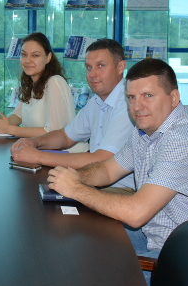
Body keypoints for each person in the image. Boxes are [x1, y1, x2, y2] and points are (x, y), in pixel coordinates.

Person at [48, 58, 188, 286]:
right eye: (132, 98)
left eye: (148, 96)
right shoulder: (146, 130)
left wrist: (75, 189)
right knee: (80, 246)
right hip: (160, 237)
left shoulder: (183, 139)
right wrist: (74, 177)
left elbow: (136, 214)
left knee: (91, 279)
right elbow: (109, 169)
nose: (137, 107)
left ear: (174, 98)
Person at [10, 38, 135, 192]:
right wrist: (34, 143)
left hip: (123, 190)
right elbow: (65, 136)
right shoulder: (96, 101)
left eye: (100, 66)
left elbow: (102, 159)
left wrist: (38, 156)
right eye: (89, 67)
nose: (92, 74)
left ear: (120, 67)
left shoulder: (129, 102)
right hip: (95, 181)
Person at [0, 32, 84, 146]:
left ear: (48, 57)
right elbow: (18, 115)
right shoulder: (30, 82)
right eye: (24, 54)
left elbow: (53, 132)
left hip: (63, 156)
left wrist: (9, 129)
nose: (27, 60)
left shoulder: (55, 82)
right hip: (36, 151)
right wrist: (0, 124)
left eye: (35, 55)